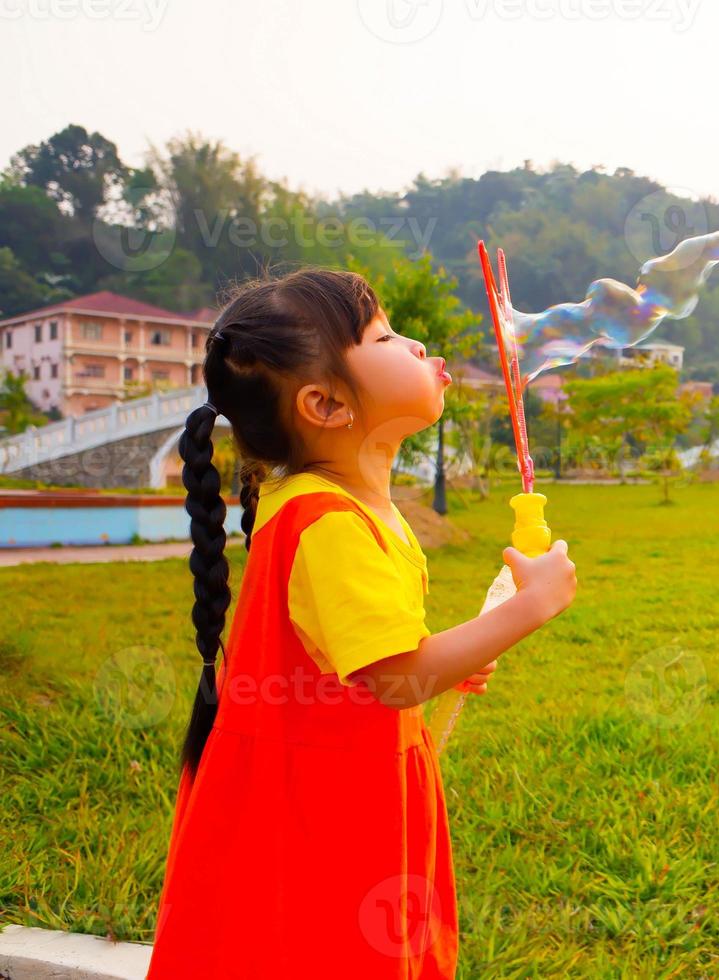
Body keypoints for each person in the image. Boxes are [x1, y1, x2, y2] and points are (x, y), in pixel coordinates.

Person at [146, 267, 577, 978]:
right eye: (384, 336)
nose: (415, 344)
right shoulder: (327, 521)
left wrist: (457, 655)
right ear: (324, 403)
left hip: (329, 793)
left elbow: (382, 657)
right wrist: (532, 607)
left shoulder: (348, 508)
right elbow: (398, 678)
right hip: (327, 818)